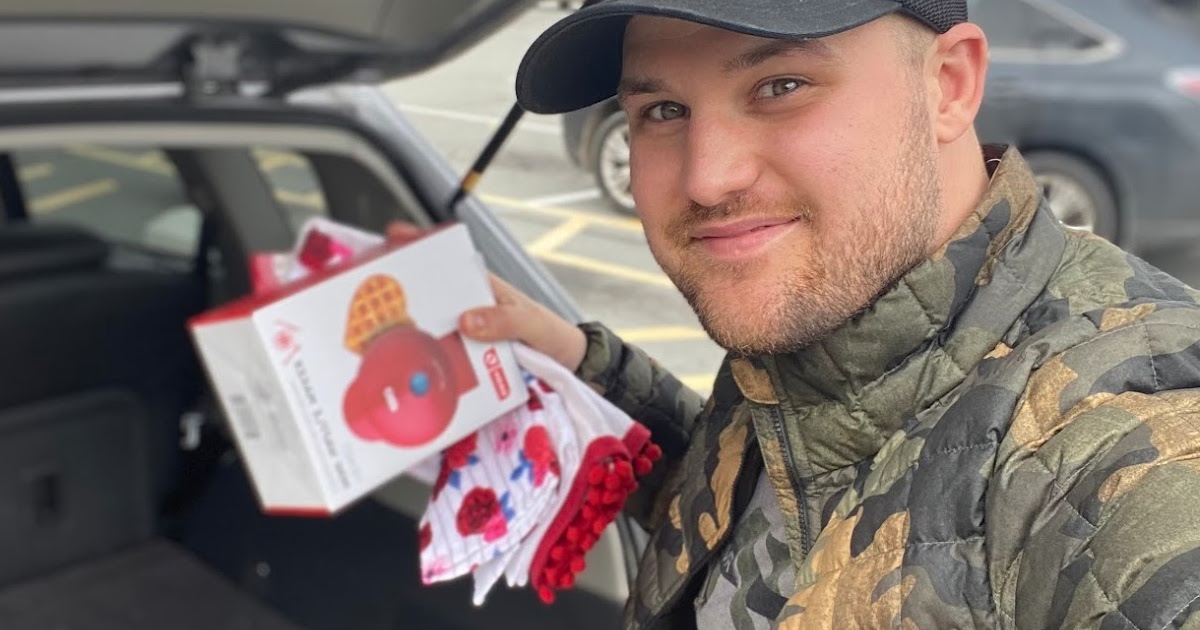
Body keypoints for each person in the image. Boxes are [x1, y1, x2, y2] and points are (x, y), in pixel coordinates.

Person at [394, 0, 1200, 627]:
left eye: (780, 87)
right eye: (662, 111)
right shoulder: (821, 333)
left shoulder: (1135, 451)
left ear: (949, 85)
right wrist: (580, 367)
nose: (708, 178)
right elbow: (775, 491)